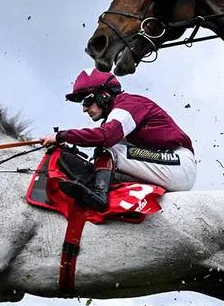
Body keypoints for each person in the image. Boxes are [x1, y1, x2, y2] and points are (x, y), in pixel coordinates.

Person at [39, 70, 197, 211]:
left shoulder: (128, 103)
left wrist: (61, 135)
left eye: (87, 101)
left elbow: (104, 137)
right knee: (100, 161)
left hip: (179, 163)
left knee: (108, 148)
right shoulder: (115, 115)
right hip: (165, 163)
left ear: (104, 95)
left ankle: (99, 196)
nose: (84, 109)